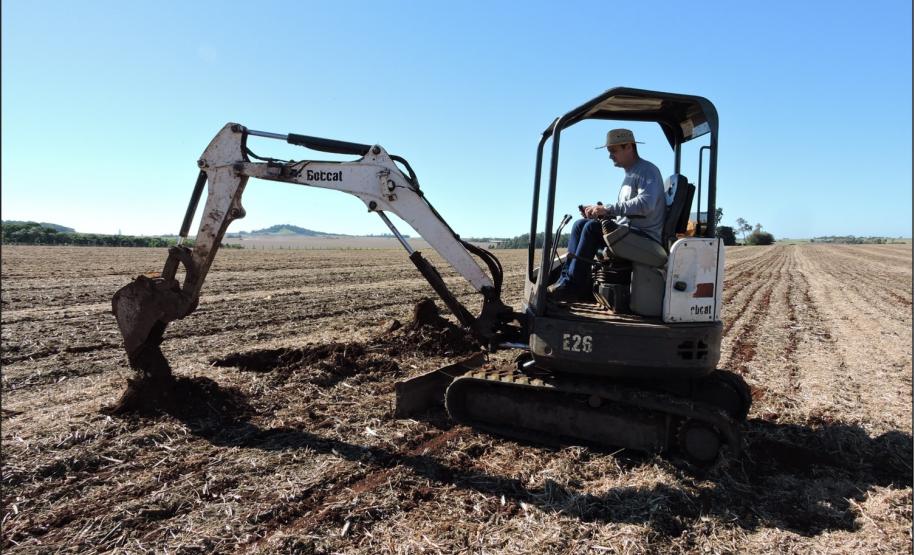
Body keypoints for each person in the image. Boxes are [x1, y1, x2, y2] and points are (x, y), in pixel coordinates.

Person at [549, 128, 666, 302]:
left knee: (591, 229)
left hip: (645, 237)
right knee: (580, 224)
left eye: (613, 151)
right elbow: (626, 213)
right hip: (630, 232)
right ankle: (565, 279)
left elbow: (646, 205)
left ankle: (574, 286)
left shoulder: (647, 171)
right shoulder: (631, 173)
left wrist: (608, 209)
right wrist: (601, 213)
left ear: (629, 147)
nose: (610, 156)